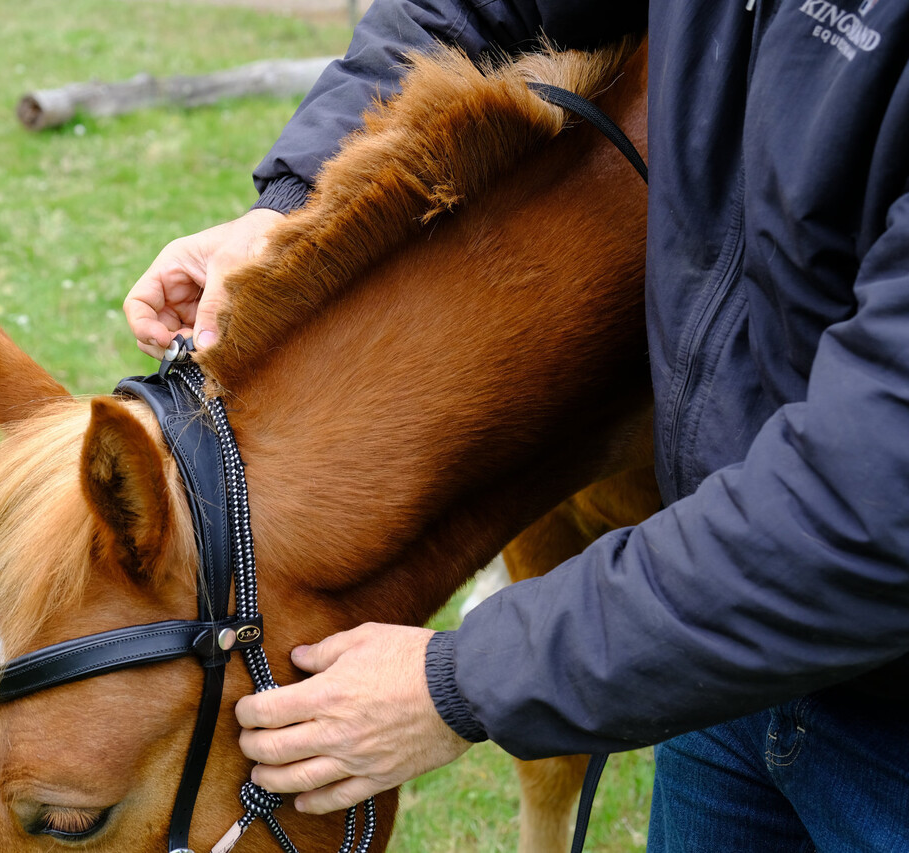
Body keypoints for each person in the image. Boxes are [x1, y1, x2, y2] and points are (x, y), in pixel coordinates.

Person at [123, 1, 909, 848]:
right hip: (727, 664)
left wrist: (462, 683)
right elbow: (461, 7)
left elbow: (870, 506)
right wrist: (289, 202)